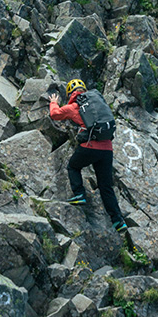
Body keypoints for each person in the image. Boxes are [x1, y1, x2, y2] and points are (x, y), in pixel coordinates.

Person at [48, 78, 127, 234]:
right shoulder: (98, 103)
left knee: (73, 166)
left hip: (89, 147)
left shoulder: (75, 106)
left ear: (71, 93)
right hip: (107, 149)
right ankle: (118, 221)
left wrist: (53, 102)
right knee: (106, 187)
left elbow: (54, 114)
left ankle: (79, 194)